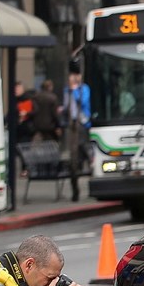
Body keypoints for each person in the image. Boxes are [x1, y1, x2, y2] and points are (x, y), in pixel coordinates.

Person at [63, 72, 92, 201]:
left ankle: (88, 159)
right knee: (73, 156)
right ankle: (75, 190)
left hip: (82, 121)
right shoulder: (67, 90)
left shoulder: (83, 89)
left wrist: (74, 91)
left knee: (82, 146)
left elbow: (83, 102)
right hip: (71, 123)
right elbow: (66, 105)